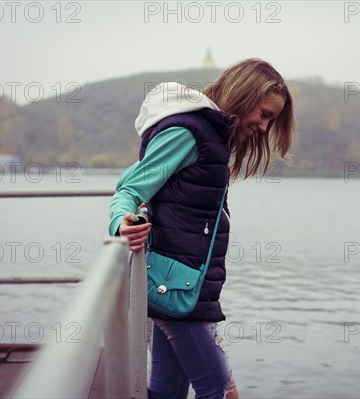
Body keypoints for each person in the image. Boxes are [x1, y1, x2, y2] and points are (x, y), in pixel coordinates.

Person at [108, 58, 295, 399]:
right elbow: (130, 188)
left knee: (169, 391)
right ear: (244, 93)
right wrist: (121, 222)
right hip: (178, 290)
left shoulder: (210, 138)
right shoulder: (189, 132)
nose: (265, 128)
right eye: (265, 114)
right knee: (223, 392)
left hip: (181, 289)